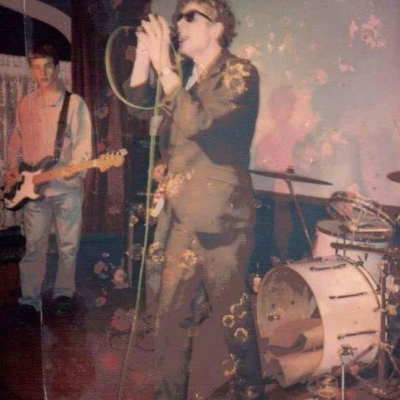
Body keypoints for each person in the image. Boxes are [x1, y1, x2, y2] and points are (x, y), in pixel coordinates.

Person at [124, 0, 265, 399]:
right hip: (181, 216)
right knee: (169, 320)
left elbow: (201, 123)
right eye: (178, 17)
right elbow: (138, 110)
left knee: (233, 321)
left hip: (221, 221)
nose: (179, 23)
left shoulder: (240, 72)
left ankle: (252, 393)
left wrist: (165, 68)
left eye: (191, 16)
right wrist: (146, 58)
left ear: (217, 27)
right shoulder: (185, 77)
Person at [5, 44, 92, 320]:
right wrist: (12, 170)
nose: (42, 73)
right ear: (31, 70)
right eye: (36, 67)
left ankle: (64, 294)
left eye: (47, 66)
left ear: (56, 68)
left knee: (68, 245)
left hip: (66, 189)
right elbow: (15, 143)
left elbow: (83, 149)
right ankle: (30, 300)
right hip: (33, 191)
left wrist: (74, 171)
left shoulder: (74, 104)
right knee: (34, 246)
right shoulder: (25, 104)